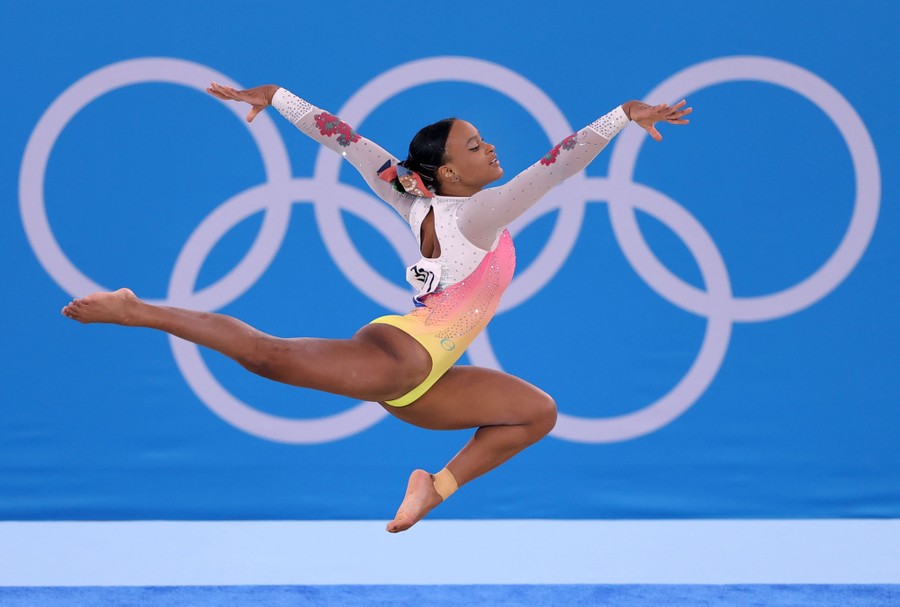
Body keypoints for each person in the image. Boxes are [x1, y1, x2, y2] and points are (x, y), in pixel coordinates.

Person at [62, 79, 691, 532]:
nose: (490, 151)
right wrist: (619, 117)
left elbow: (345, 140)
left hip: (429, 380)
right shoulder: (478, 214)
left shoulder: (416, 199)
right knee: (266, 357)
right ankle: (136, 309)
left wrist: (278, 98)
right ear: (446, 171)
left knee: (536, 413)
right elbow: (557, 166)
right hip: (402, 356)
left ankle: (432, 488)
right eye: (474, 147)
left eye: (483, 141)